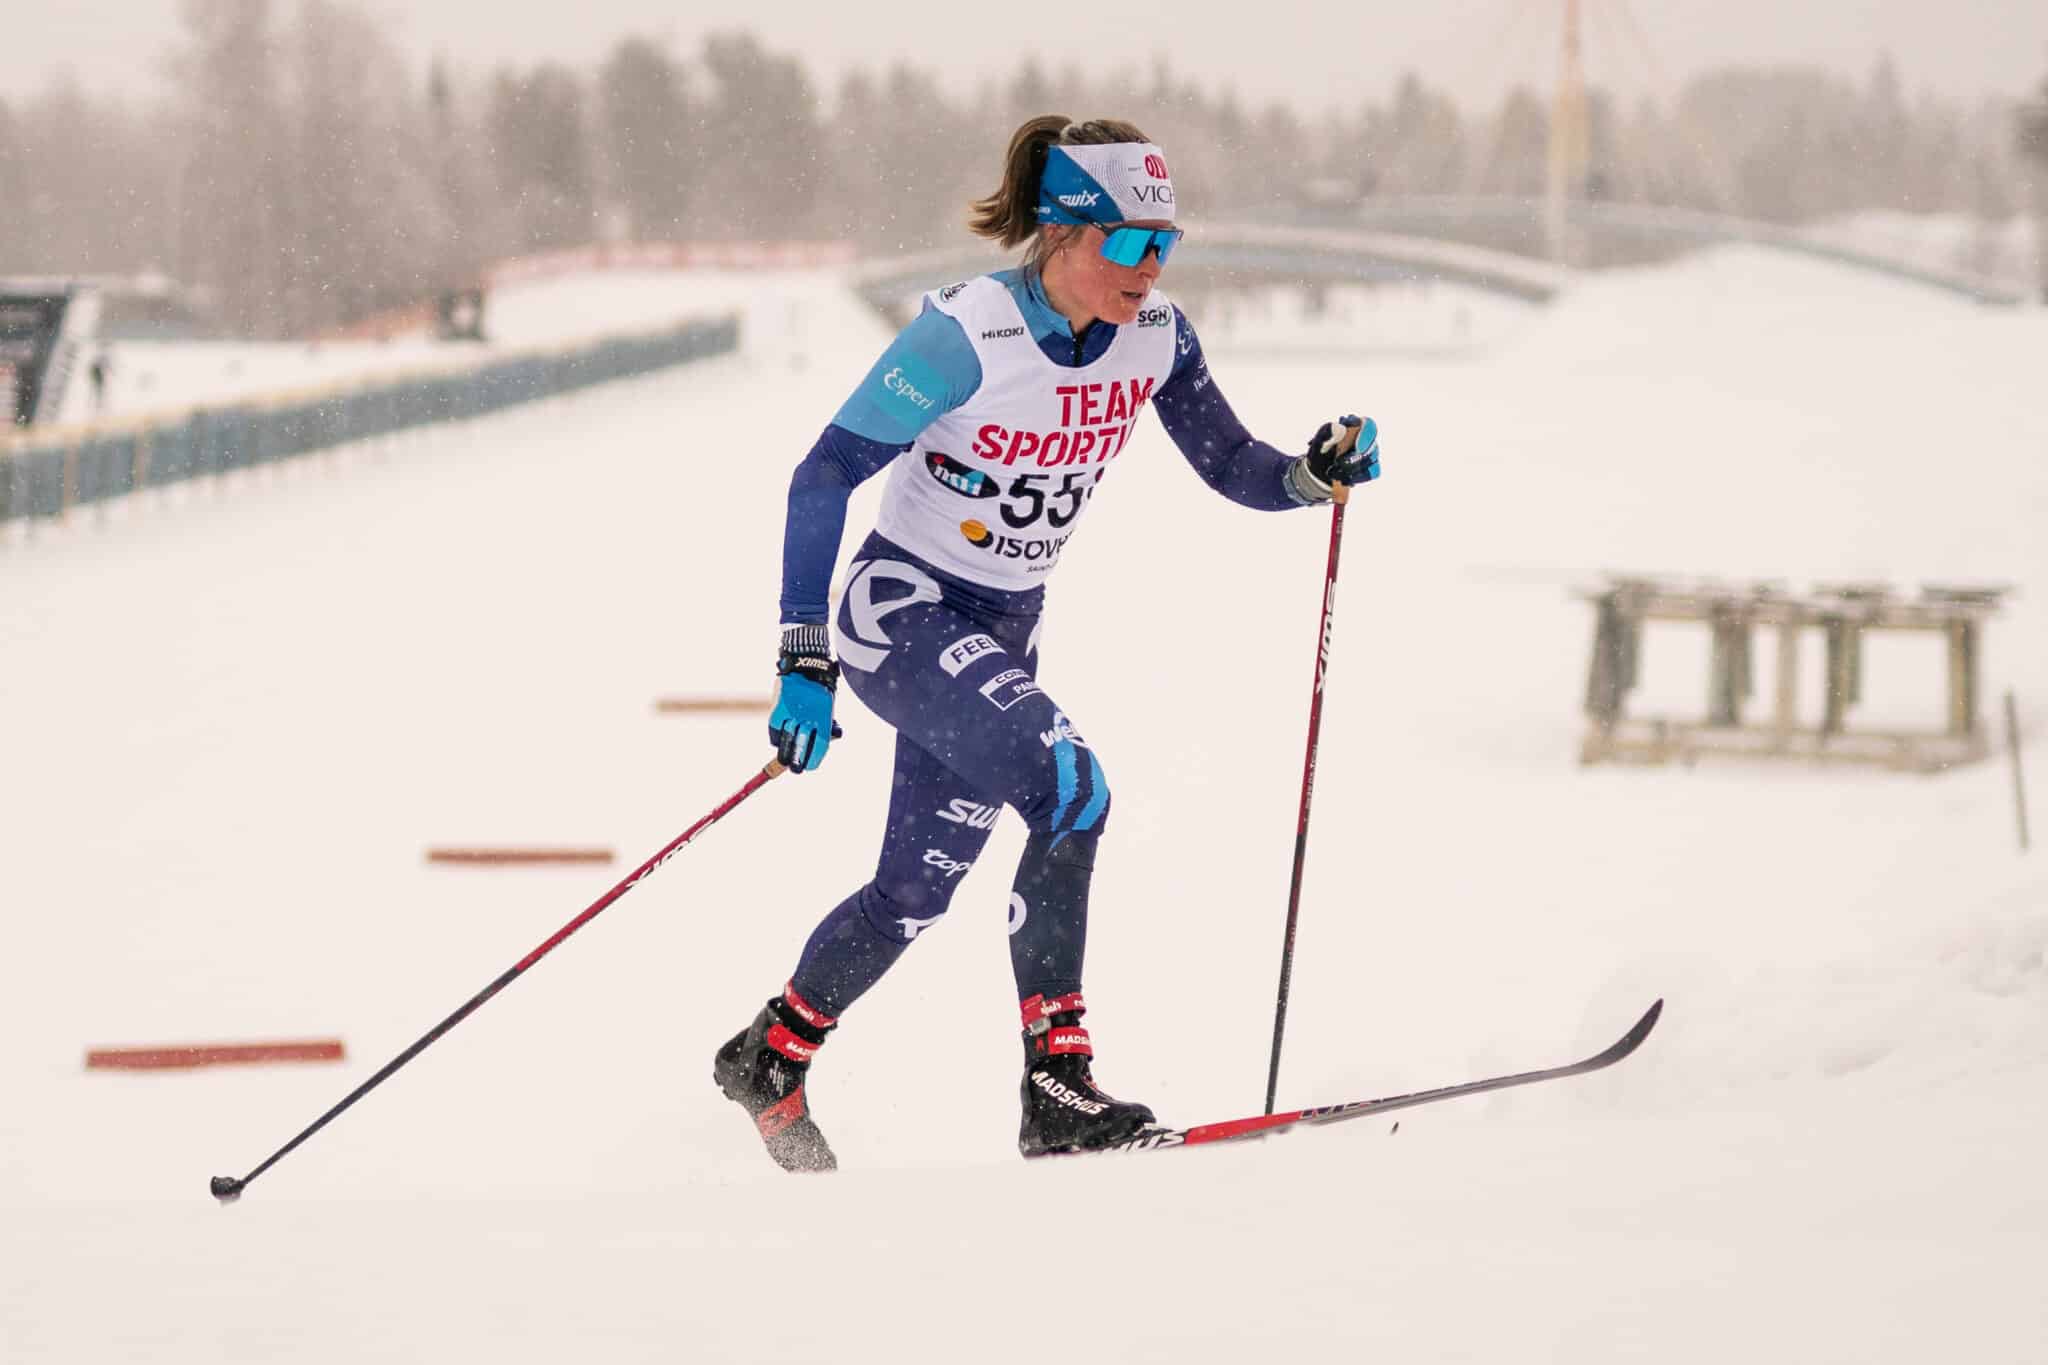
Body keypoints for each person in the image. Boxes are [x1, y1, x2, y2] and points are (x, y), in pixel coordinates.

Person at [714, 115, 1383, 1170]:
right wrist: (802, 658)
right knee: (1070, 787)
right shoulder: (965, 337)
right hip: (901, 615)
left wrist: (1310, 475)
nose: (1148, 265)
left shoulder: (1156, 338)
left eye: (1163, 242)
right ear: (1061, 235)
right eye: (1124, 241)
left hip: (1000, 633)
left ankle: (772, 1052)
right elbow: (822, 474)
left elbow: (1231, 466)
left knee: (913, 893)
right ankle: (1054, 1086)